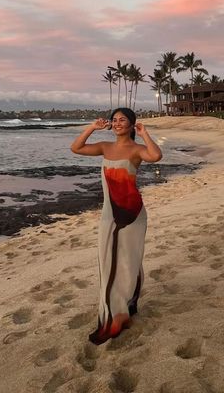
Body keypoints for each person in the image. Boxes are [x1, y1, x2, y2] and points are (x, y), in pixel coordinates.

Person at [70, 108, 162, 345]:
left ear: (132, 125)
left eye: (124, 120)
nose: (118, 123)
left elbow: (156, 156)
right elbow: (76, 148)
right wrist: (91, 127)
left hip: (132, 214)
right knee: (109, 262)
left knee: (128, 260)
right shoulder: (104, 147)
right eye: (115, 119)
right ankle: (119, 311)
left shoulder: (136, 150)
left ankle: (121, 313)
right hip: (109, 214)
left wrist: (144, 135)